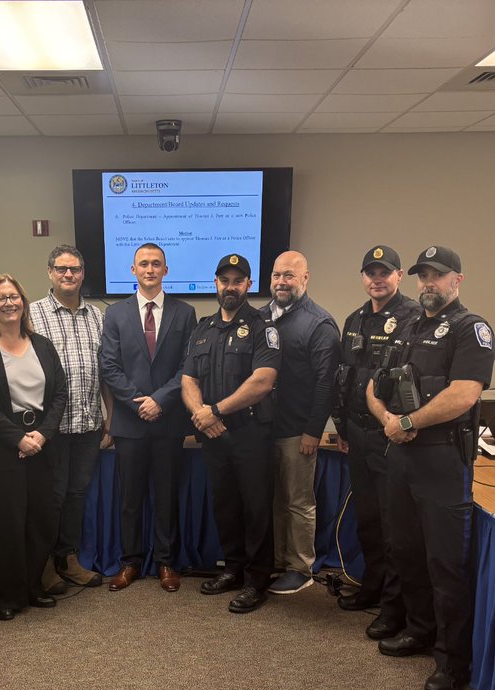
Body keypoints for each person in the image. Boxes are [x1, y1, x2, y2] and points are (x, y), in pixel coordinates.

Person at [366, 245, 495, 690]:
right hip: (400, 455)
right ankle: (419, 631)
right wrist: (387, 418)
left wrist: (407, 422)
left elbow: (463, 394)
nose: (428, 284)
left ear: (457, 280)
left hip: (442, 459)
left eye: (437, 276)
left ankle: (451, 660)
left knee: (445, 563)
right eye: (423, 277)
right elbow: (373, 385)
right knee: (404, 550)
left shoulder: (470, 329)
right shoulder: (404, 327)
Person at [0, 275, 67, 620]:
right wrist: (17, 438)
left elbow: (60, 394)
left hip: (42, 445)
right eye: (0, 298)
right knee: (6, 524)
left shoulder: (43, 345)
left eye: (14, 296)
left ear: (23, 301)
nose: (8, 303)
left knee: (41, 521)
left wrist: (41, 436)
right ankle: (6, 596)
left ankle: (33, 587)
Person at [181, 254, 281, 613]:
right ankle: (233, 569)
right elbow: (188, 379)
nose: (230, 286)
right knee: (225, 505)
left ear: (249, 285)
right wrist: (200, 414)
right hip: (213, 435)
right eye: (225, 280)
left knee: (255, 509)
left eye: (238, 281)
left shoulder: (262, 326)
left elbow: (263, 381)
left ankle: (257, 581)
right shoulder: (203, 328)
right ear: (216, 283)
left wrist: (217, 410)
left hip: (250, 432)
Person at [331, 245, 421, 636]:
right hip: (358, 434)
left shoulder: (414, 318)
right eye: (370, 273)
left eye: (384, 272)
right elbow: (343, 378)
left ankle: (394, 607)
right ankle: (372, 587)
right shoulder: (353, 319)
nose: (376, 279)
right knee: (368, 519)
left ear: (399, 276)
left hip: (391, 436)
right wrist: (341, 427)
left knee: (393, 524)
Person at [99, 243, 197, 593]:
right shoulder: (115, 314)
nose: (150, 269)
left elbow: (188, 366)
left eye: (157, 264)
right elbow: (108, 365)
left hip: (168, 421)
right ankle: (130, 562)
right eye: (144, 264)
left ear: (166, 271)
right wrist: (137, 402)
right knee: (130, 498)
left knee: (166, 495)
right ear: (133, 270)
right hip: (129, 422)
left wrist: (160, 400)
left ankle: (166, 562)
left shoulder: (185, 313)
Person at [29, 245, 112, 595]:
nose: (68, 275)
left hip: (88, 424)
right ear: (50, 271)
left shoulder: (98, 316)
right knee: (51, 496)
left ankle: (68, 559)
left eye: (75, 269)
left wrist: (110, 418)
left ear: (83, 273)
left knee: (76, 494)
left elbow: (106, 371)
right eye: (61, 269)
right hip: (50, 429)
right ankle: (44, 564)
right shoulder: (32, 314)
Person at [261, 251, 340, 595]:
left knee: (298, 502)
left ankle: (301, 566)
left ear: (305, 279)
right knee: (274, 499)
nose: (282, 282)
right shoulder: (260, 318)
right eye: (277, 275)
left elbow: (326, 382)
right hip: (263, 429)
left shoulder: (319, 324)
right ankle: (278, 561)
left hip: (298, 431)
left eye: (290, 276)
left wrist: (313, 430)